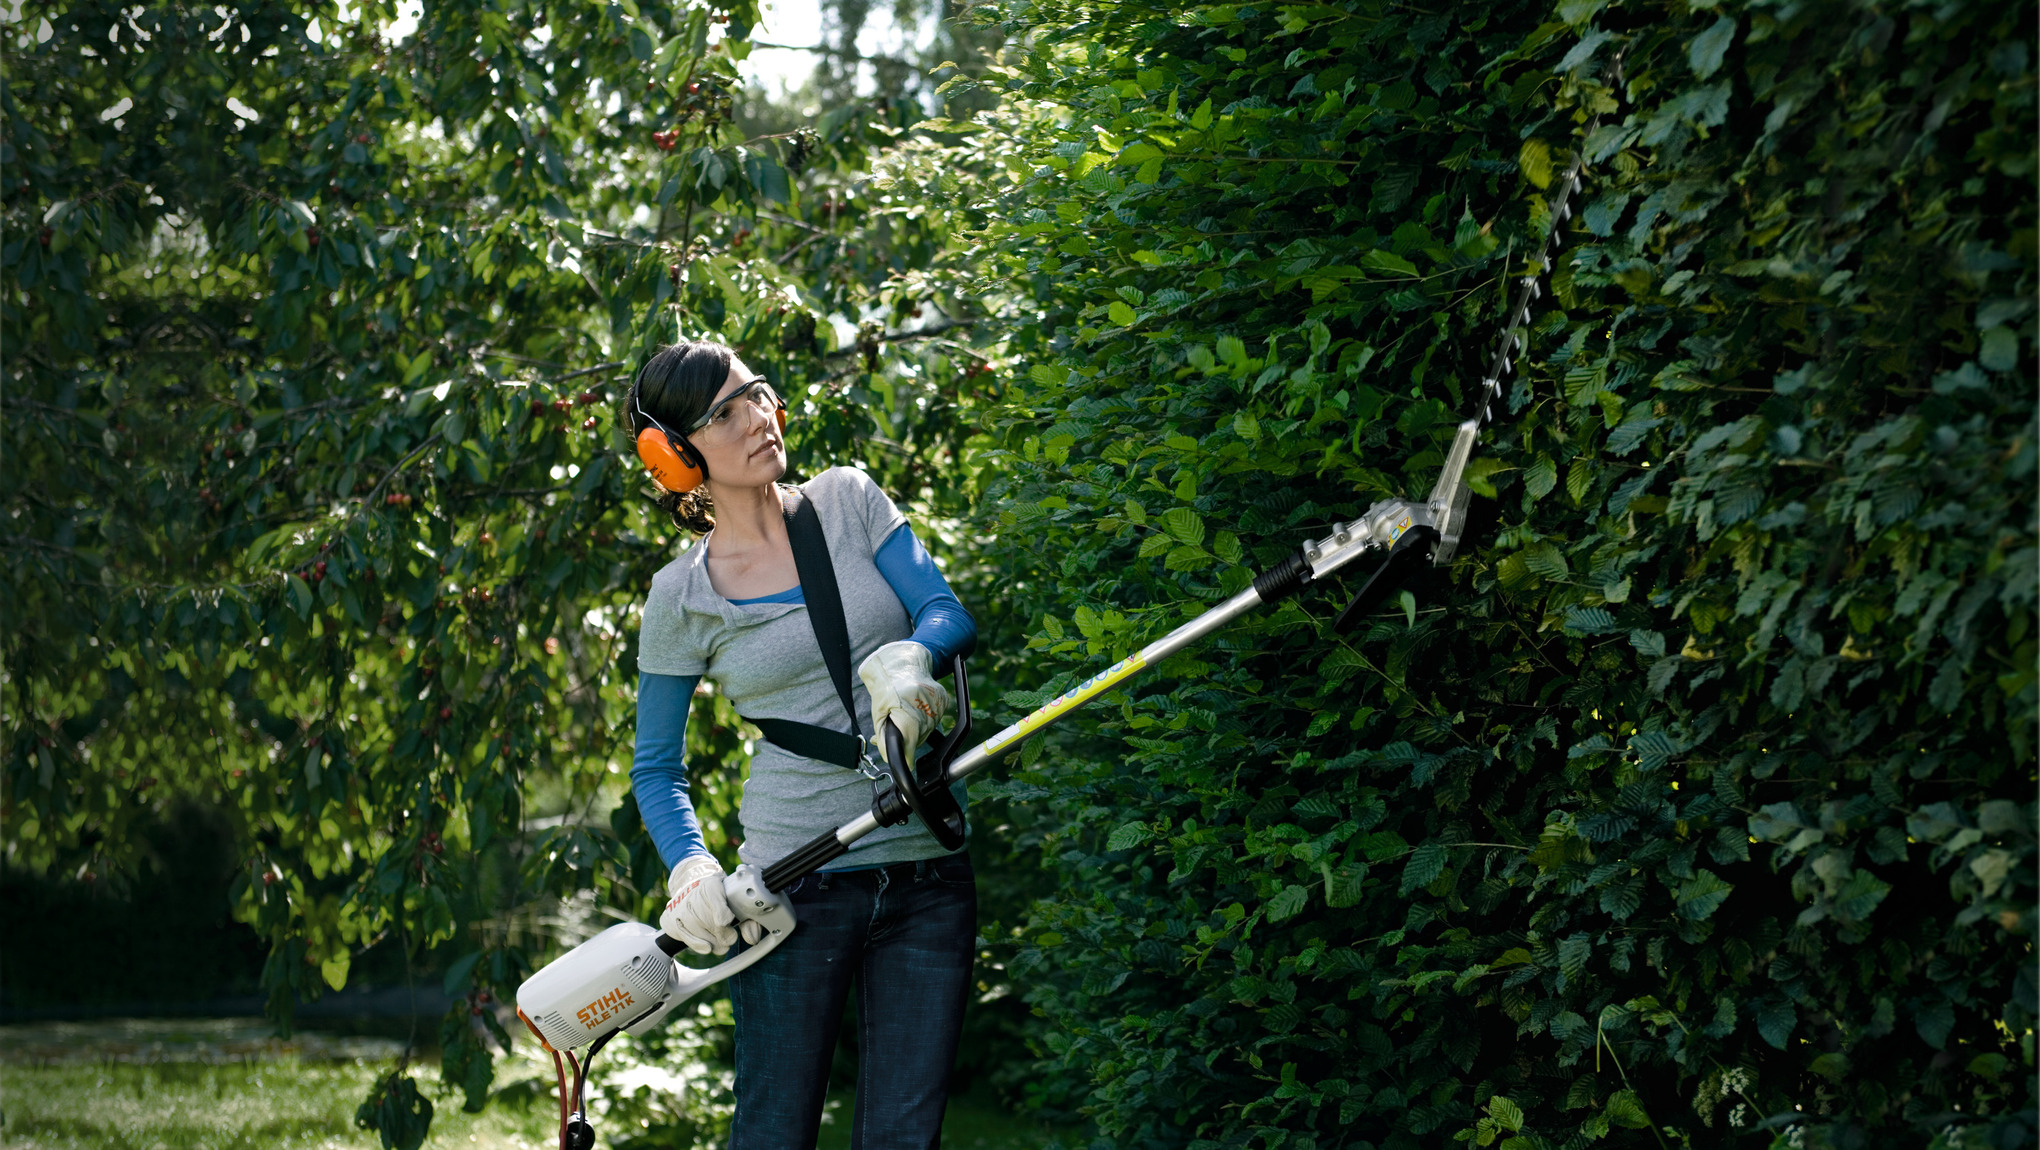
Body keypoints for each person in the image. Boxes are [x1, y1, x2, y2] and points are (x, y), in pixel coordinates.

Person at [626, 339, 979, 1150]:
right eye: (725, 413)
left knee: (903, 1139)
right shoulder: (681, 597)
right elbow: (656, 768)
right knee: (772, 1134)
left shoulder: (849, 500)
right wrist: (692, 866)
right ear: (679, 457)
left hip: (927, 872)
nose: (757, 418)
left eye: (755, 394)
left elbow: (946, 609)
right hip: (795, 892)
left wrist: (912, 655)